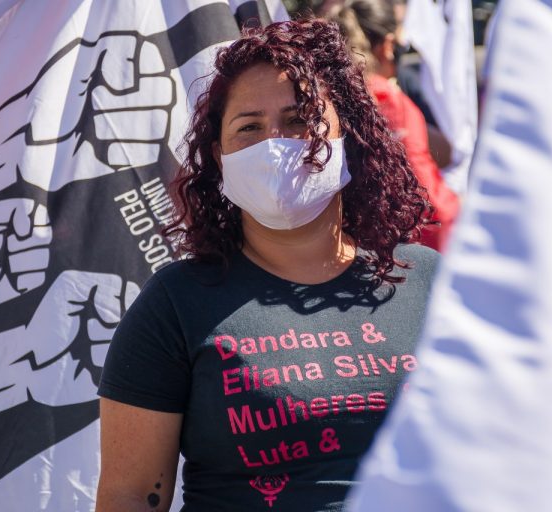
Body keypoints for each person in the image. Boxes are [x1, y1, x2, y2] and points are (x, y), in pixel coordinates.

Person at [96, 19, 440, 512]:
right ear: (218, 156)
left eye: (300, 120)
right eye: (249, 127)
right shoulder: (175, 303)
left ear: (350, 135)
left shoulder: (427, 281)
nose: (275, 143)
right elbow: (130, 498)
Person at [328, 0, 460, 251]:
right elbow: (425, 175)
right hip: (425, 235)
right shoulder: (384, 95)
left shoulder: (332, 95)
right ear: (388, 45)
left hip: (370, 236)